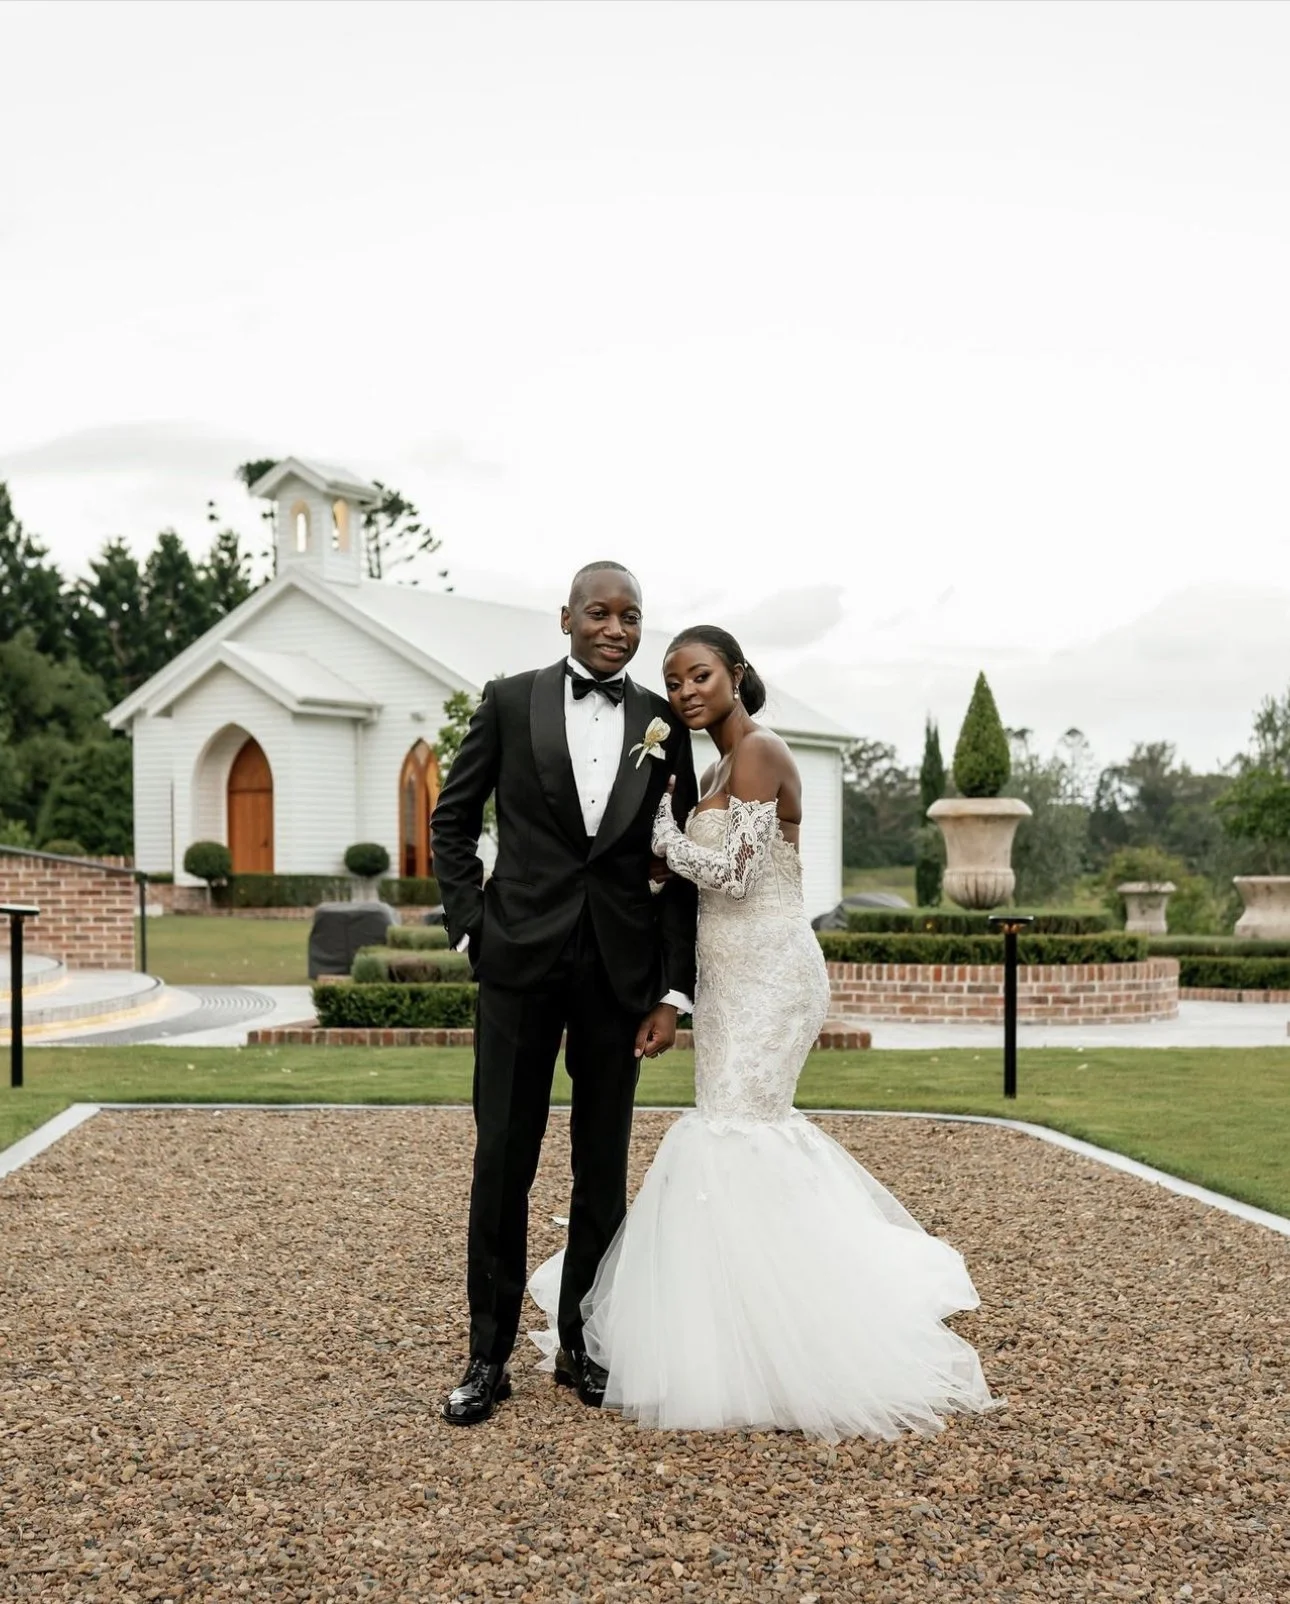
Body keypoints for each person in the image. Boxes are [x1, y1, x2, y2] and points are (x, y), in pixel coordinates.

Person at [528, 625, 999, 1442]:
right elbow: (703, 879)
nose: (684, 693)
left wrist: (660, 838)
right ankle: (737, 1320)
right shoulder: (715, 764)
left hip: (775, 973)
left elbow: (737, 875)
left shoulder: (759, 750)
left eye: (699, 675)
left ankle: (794, 1333)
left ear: (736, 674)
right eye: (673, 683)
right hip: (731, 976)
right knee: (731, 1131)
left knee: (738, 1130)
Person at [431, 562, 698, 1426]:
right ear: (566, 619)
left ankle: (583, 1340)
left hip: (616, 977)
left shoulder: (662, 724)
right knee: (502, 1153)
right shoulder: (509, 702)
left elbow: (684, 857)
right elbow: (453, 817)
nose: (616, 628)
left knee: (602, 1165)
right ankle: (487, 1353)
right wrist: (472, 925)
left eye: (631, 617)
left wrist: (671, 989)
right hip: (516, 963)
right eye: (599, 613)